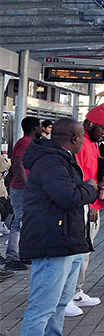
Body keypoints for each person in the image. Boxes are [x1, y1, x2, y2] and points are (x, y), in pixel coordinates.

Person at [17, 118, 99, 336]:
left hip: (65, 240)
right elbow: (68, 196)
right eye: (82, 137)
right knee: (43, 306)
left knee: (59, 304)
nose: (84, 142)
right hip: (52, 241)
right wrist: (91, 187)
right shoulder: (51, 161)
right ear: (75, 138)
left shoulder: (59, 158)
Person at [70, 102, 104, 316]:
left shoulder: (93, 143)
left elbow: (91, 173)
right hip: (84, 204)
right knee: (79, 252)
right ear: (89, 124)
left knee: (84, 252)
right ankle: (68, 295)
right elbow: (79, 177)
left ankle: (76, 291)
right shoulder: (81, 143)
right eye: (103, 129)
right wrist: (91, 205)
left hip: (90, 202)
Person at [5, 116, 42, 271]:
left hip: (24, 188)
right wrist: (28, 185)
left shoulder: (29, 143)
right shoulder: (24, 143)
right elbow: (18, 166)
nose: (42, 128)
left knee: (25, 222)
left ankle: (21, 253)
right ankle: (13, 256)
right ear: (34, 128)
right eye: (40, 126)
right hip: (21, 189)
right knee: (19, 221)